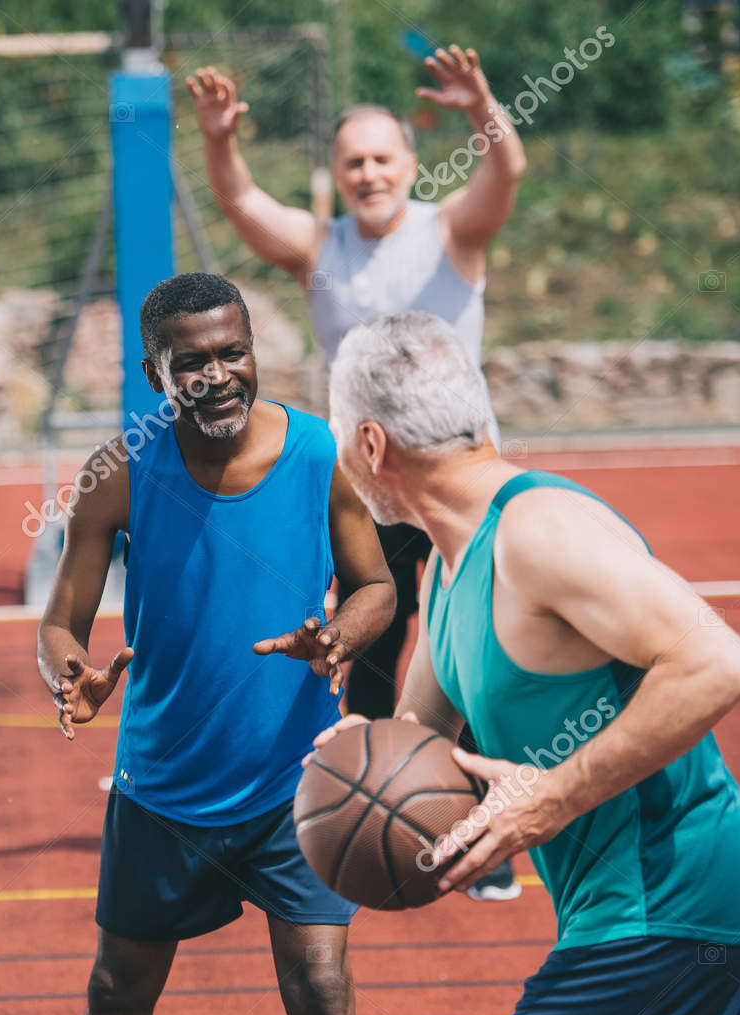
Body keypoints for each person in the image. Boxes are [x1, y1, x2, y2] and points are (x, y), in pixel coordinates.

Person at [312, 311, 740, 1015]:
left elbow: (722, 663)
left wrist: (553, 795)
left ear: (369, 445)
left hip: (668, 908)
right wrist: (363, 754)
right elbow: (417, 739)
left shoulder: (539, 534)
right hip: (649, 906)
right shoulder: (447, 564)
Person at [190, 46, 527, 899]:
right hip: (367, 483)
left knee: (473, 649)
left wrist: (483, 105)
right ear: (336, 176)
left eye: (383, 158)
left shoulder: (453, 231)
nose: (370, 172)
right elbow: (238, 201)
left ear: (411, 165)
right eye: (354, 162)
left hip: (460, 480)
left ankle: (487, 832)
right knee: (373, 633)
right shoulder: (321, 247)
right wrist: (220, 139)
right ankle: (378, 812)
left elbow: (507, 168)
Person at [37, 273, 395, 1015]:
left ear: (252, 350)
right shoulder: (118, 474)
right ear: (153, 375)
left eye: (233, 352)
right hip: (165, 789)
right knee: (117, 992)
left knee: (322, 990)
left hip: (294, 781)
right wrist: (73, 675)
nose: (216, 375)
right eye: (189, 361)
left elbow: (376, 586)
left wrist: (339, 637)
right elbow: (61, 622)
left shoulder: (316, 454)